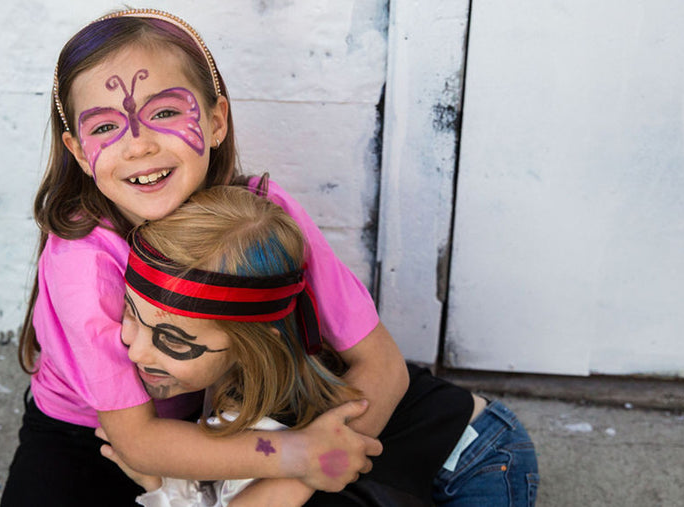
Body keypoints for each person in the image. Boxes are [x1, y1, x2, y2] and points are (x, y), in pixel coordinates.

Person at [1, 8, 408, 506]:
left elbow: (382, 364)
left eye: (166, 112)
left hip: (232, 409)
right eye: (105, 127)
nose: (137, 146)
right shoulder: (82, 260)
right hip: (93, 435)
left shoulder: (263, 211)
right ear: (81, 153)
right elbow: (138, 442)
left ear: (215, 120)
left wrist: (318, 462)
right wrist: (299, 456)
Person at [100, 185, 539, 506]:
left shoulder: (281, 416)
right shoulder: (234, 383)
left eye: (172, 339)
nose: (134, 350)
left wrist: (159, 487)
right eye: (131, 315)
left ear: (253, 347)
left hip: (476, 453)